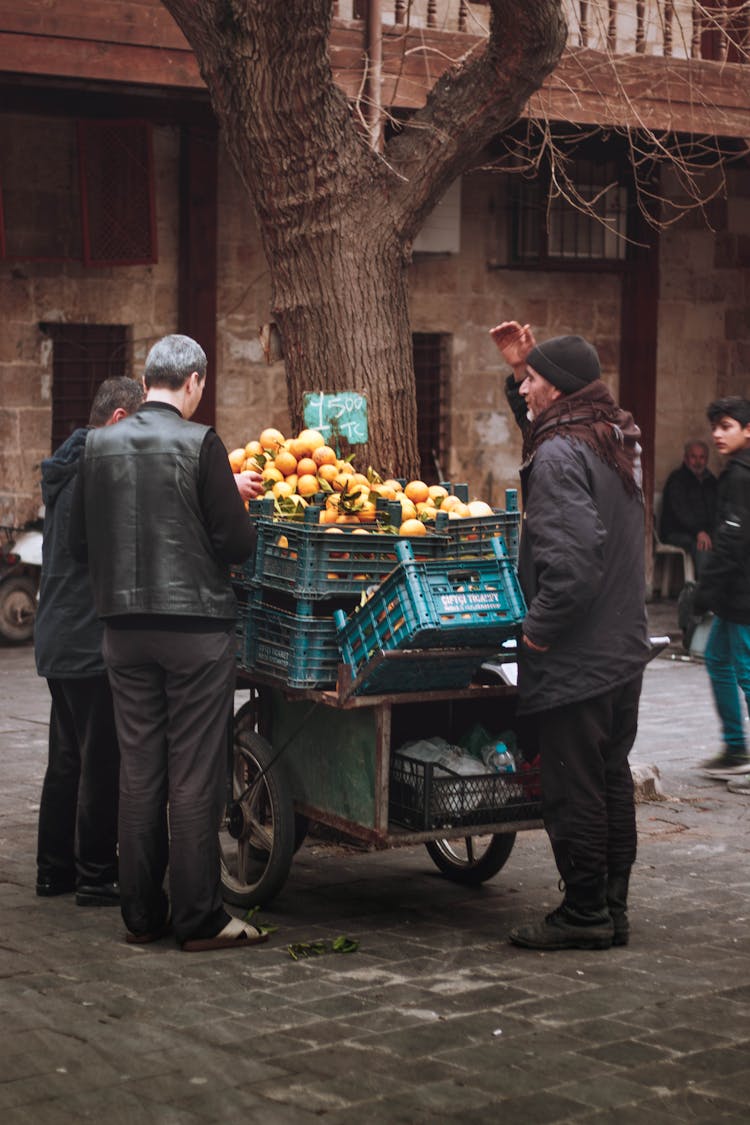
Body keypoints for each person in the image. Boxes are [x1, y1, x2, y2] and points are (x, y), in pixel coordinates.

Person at [69, 334, 266, 950]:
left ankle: (140, 915)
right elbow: (237, 544)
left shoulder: (95, 445)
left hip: (122, 631)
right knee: (194, 772)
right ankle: (199, 917)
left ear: (147, 377)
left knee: (140, 769)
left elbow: (77, 545)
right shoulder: (199, 441)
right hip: (195, 631)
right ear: (194, 382)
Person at [490, 320, 651, 951]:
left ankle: (583, 914)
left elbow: (573, 564)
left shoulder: (559, 455)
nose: (524, 390)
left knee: (575, 786)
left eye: (530, 382)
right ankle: (611, 908)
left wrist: (537, 632)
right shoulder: (615, 435)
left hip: (577, 654)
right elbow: (547, 422)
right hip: (622, 648)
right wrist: (522, 364)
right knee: (610, 778)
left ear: (555, 390)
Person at [35, 377, 145, 905]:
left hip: (58, 633)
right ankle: (97, 876)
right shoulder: (94, 470)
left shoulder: (68, 462)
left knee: (67, 758)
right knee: (99, 762)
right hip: (84, 637)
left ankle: (54, 871)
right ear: (120, 420)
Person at [692, 397, 750, 787]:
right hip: (735, 594)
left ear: (747, 430)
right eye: (715, 426)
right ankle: (734, 748)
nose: (717, 434)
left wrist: (702, 593)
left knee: (745, 670)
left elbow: (731, 542)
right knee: (717, 658)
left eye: (726, 426)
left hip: (742, 594)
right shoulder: (737, 471)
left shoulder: (740, 476)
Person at [660, 440, 717, 575]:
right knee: (702, 545)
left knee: (727, 543)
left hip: (704, 532)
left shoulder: (711, 481)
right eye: (693, 456)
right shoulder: (677, 479)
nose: (698, 461)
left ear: (707, 459)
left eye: (702, 457)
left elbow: (718, 509)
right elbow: (681, 511)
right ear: (685, 458)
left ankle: (726, 591)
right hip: (677, 532)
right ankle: (704, 590)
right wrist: (699, 532)